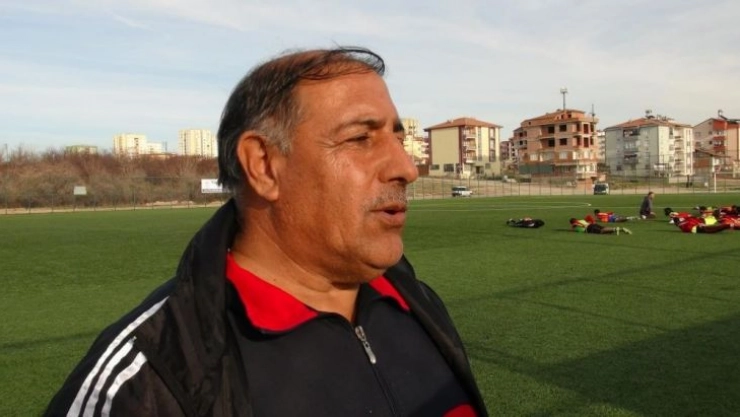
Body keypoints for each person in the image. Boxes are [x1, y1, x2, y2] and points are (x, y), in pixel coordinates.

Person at [44, 47, 488, 416]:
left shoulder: (416, 303)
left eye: (398, 139)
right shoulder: (152, 376)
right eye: (360, 138)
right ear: (264, 166)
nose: (406, 167)